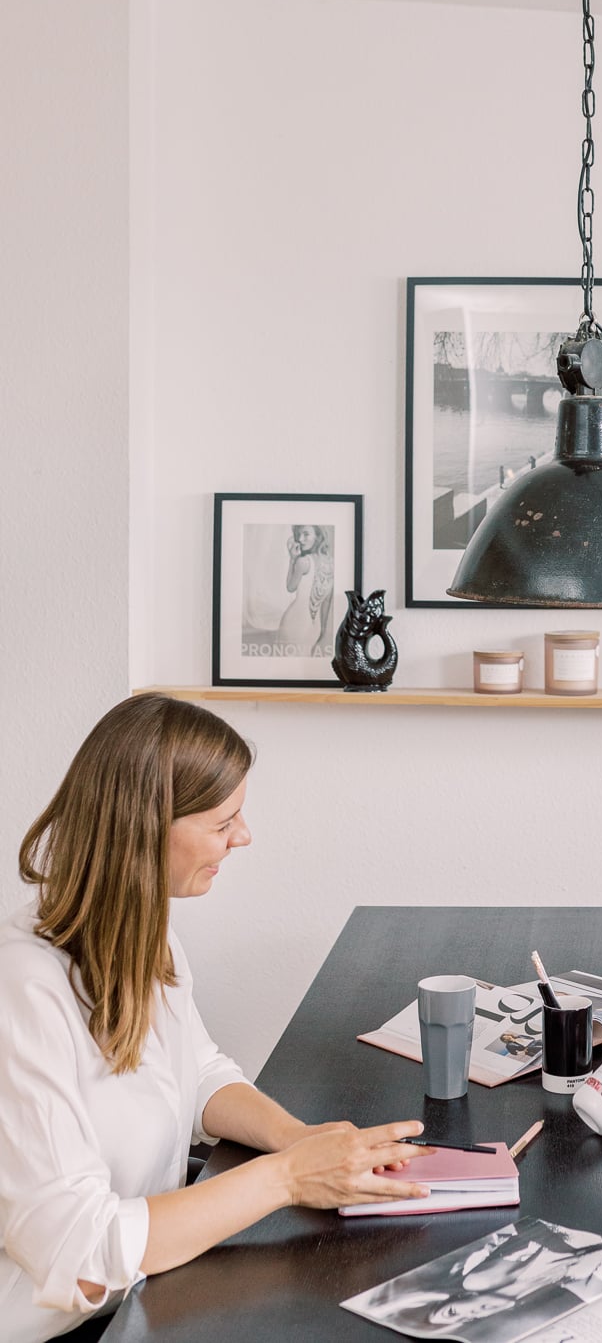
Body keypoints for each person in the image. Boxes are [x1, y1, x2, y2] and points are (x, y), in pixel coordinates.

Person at [0, 693, 432, 1343]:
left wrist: (297, 1138)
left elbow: (198, 1070)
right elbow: (81, 1254)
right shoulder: (25, 990)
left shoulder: (145, 934)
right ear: (146, 826)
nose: (244, 835)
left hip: (146, 1290)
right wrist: (287, 1177)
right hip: (57, 1326)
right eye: (223, 820)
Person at [277, 524, 333, 656]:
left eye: (306, 534)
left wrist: (292, 559)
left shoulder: (303, 562)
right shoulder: (331, 563)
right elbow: (327, 600)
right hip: (315, 627)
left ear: (318, 536)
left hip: (294, 623)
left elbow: (290, 587)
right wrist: (323, 630)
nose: (300, 539)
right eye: (298, 535)